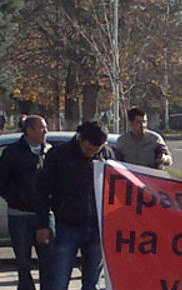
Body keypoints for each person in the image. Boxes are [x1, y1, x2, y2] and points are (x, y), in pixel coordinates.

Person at [35, 121, 115, 290]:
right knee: (58, 279)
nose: (91, 153)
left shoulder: (107, 155)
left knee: (92, 283)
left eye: (95, 150)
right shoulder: (58, 156)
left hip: (97, 227)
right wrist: (42, 225)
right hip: (67, 226)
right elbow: (42, 191)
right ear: (79, 138)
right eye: (88, 149)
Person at [0, 116, 53, 290]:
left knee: (48, 261)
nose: (46, 132)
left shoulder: (50, 152)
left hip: (46, 216)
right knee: (23, 262)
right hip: (20, 215)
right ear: (29, 131)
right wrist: (16, 198)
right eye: (42, 128)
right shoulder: (13, 153)